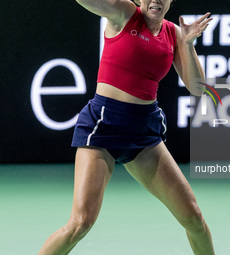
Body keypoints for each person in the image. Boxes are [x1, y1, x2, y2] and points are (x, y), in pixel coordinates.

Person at [38, 0, 215, 254]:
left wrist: (187, 44)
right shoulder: (124, 13)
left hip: (144, 135)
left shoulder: (174, 34)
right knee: (80, 224)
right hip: (102, 129)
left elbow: (198, 89)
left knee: (194, 219)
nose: (155, 0)